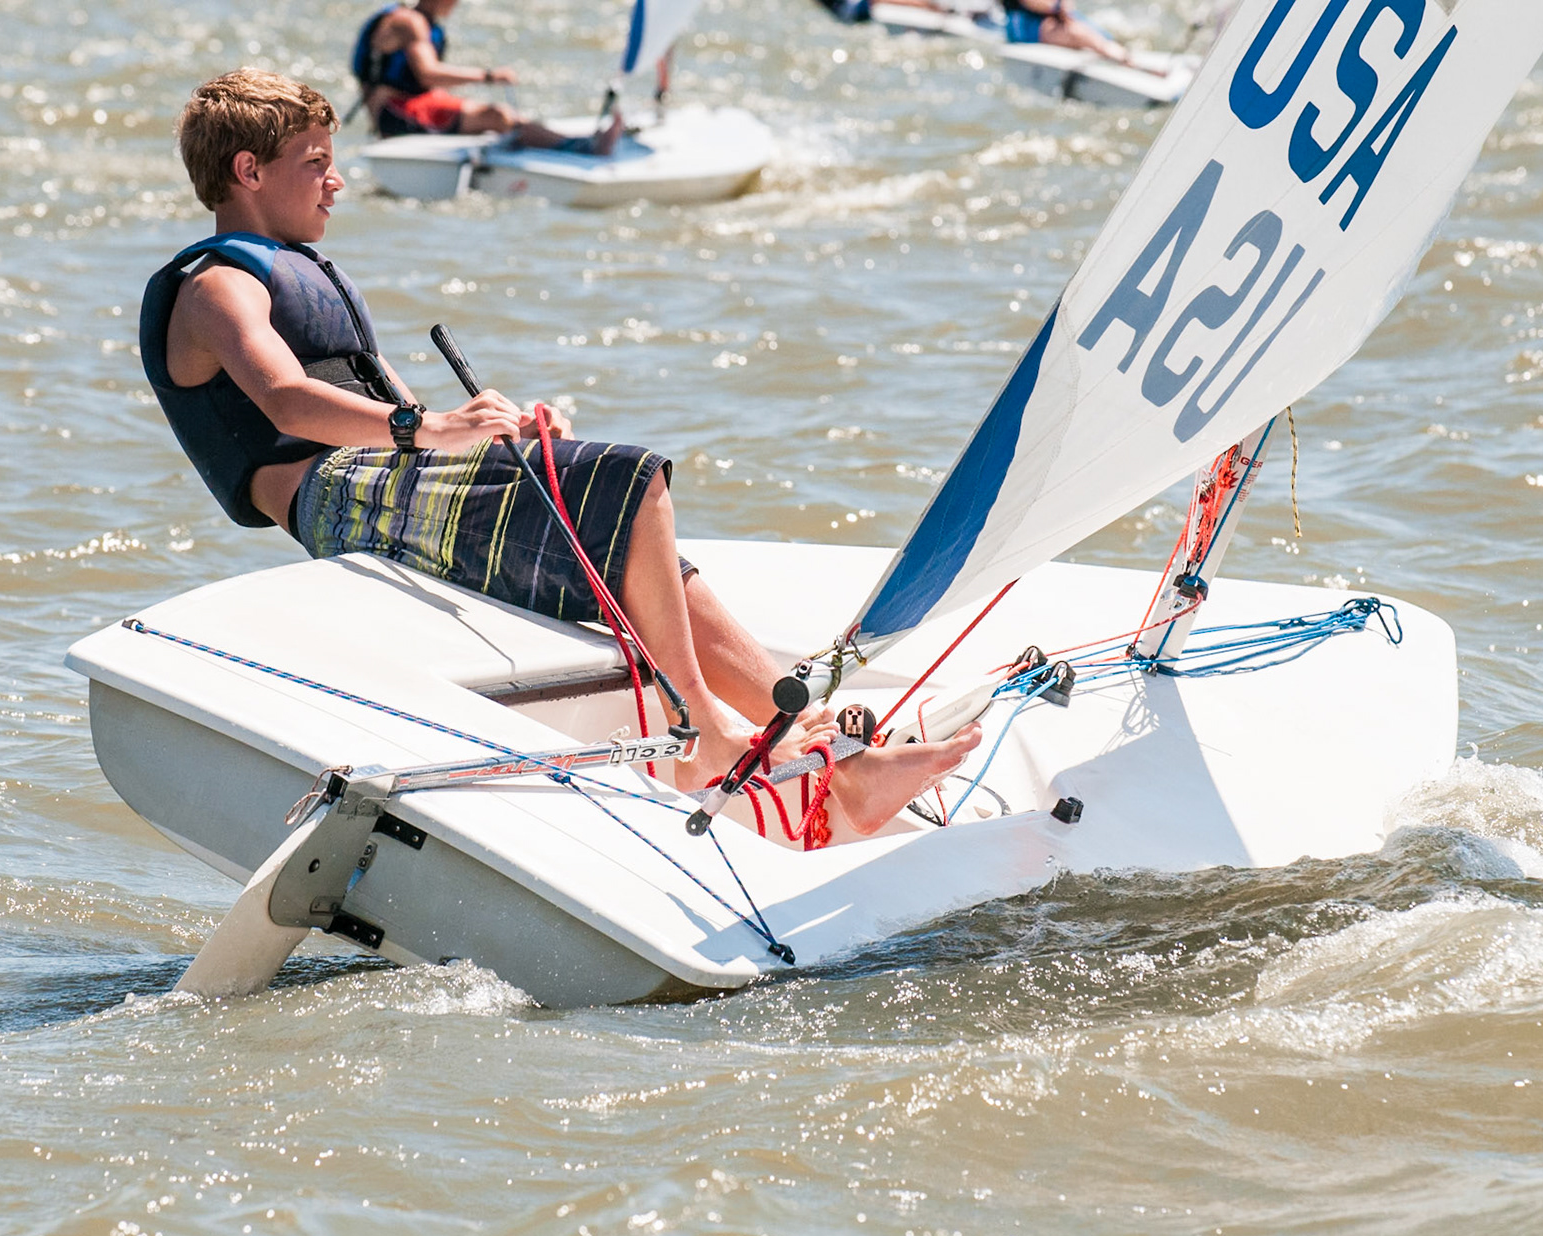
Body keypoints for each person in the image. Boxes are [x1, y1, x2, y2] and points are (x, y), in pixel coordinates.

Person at [140, 69, 981, 839]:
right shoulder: (216, 286)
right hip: (337, 499)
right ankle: (699, 729)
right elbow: (286, 397)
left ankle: (827, 753)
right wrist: (431, 431)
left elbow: (401, 407)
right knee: (632, 482)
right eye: (317, 162)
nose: (338, 180)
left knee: (639, 548)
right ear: (248, 171)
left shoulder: (300, 271)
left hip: (391, 478)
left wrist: (492, 429)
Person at [352, 0, 623, 153]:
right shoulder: (409, 22)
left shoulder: (416, 19)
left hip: (411, 106)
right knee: (498, 116)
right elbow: (427, 74)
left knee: (491, 114)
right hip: (396, 113)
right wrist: (489, 76)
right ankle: (585, 147)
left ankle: (572, 141)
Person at [1000, 0, 1134, 65]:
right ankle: (1122, 58)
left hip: (1052, 15)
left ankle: (1116, 51)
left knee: (1097, 33)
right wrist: (1058, 8)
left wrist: (1064, 9)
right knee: (1075, 32)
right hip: (1025, 24)